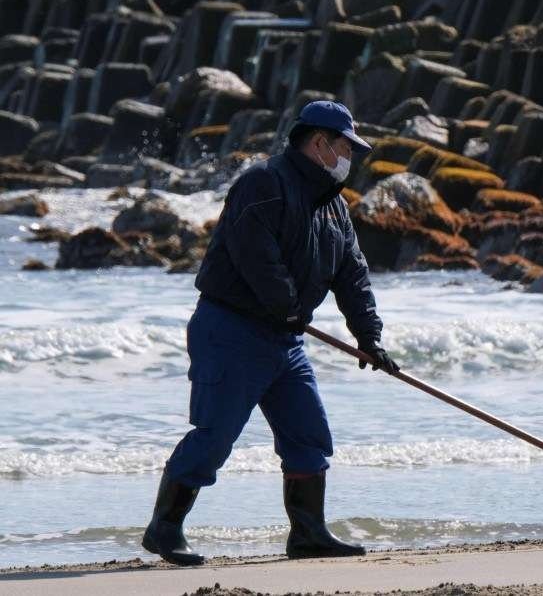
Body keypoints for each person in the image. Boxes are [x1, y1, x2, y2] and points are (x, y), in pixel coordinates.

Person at [141, 100, 399, 566]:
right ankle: (164, 529)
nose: (351, 159)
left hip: (287, 340)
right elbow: (255, 255)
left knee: (309, 435)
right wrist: (287, 309)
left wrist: (369, 337)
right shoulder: (263, 183)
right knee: (214, 435)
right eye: (346, 148)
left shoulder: (335, 207)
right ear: (319, 143)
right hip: (231, 329)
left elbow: (352, 275)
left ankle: (308, 534)